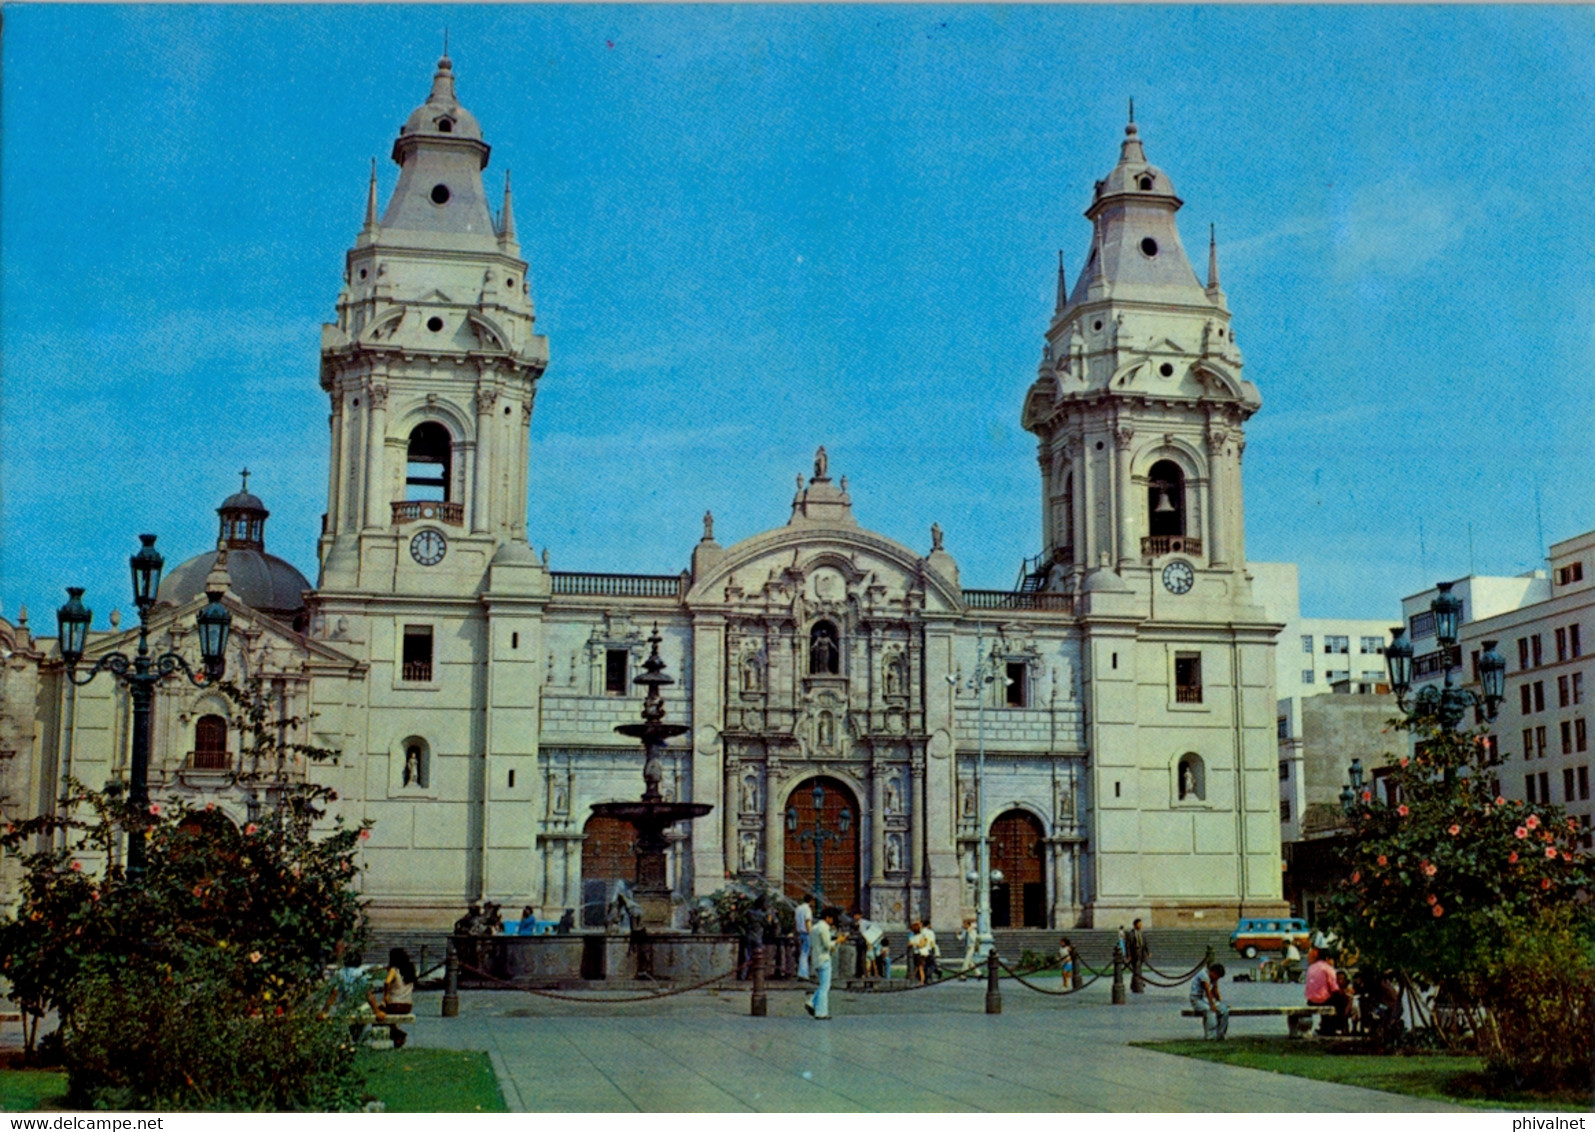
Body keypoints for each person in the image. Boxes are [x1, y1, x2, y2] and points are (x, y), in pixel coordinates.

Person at [368, 947, 417, 1049]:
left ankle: (397, 1034)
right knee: (385, 1016)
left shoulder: (394, 970)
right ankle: (397, 1035)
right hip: (407, 1005)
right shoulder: (410, 969)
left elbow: (387, 982)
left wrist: (386, 995)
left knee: (377, 1014)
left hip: (395, 1004)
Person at [805, 907, 847, 1020]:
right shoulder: (824, 928)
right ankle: (821, 1012)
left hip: (816, 958)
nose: (833, 921)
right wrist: (839, 940)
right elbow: (827, 945)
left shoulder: (815, 927)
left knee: (823, 984)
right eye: (832, 918)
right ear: (827, 918)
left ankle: (812, 1002)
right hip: (824, 958)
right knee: (825, 986)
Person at [1305, 946, 1353, 1035]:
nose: (1333, 962)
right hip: (1323, 1000)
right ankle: (1339, 1026)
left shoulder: (1311, 967)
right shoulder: (1328, 968)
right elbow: (1334, 988)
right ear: (1327, 958)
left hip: (1310, 1000)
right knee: (1343, 999)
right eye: (1332, 960)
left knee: (1334, 999)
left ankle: (1326, 1026)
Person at [1189, 962, 1229, 1041]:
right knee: (1210, 1011)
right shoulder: (1203, 975)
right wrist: (1212, 1005)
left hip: (1205, 999)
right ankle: (1210, 1036)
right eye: (1217, 976)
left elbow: (1215, 990)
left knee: (1224, 1010)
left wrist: (1219, 1002)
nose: (1217, 979)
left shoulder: (1214, 978)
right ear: (1212, 972)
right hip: (1197, 999)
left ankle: (1220, 1035)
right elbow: (1207, 991)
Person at [1128, 917, 1151, 994]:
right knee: (1136, 969)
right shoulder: (1131, 934)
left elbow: (1145, 944)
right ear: (1135, 925)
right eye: (1139, 924)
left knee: (1137, 969)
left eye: (1141, 924)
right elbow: (1128, 945)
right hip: (1134, 954)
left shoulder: (1142, 934)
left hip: (1141, 954)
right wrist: (1129, 955)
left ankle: (1135, 984)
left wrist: (1148, 952)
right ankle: (1138, 985)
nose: (1141, 925)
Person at [794, 895, 815, 978]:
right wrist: (811, 932)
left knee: (802, 952)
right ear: (811, 901)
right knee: (805, 953)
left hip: (799, 933)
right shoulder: (807, 909)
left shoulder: (798, 908)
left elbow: (795, 921)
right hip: (806, 933)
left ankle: (803, 971)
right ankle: (803, 973)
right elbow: (808, 921)